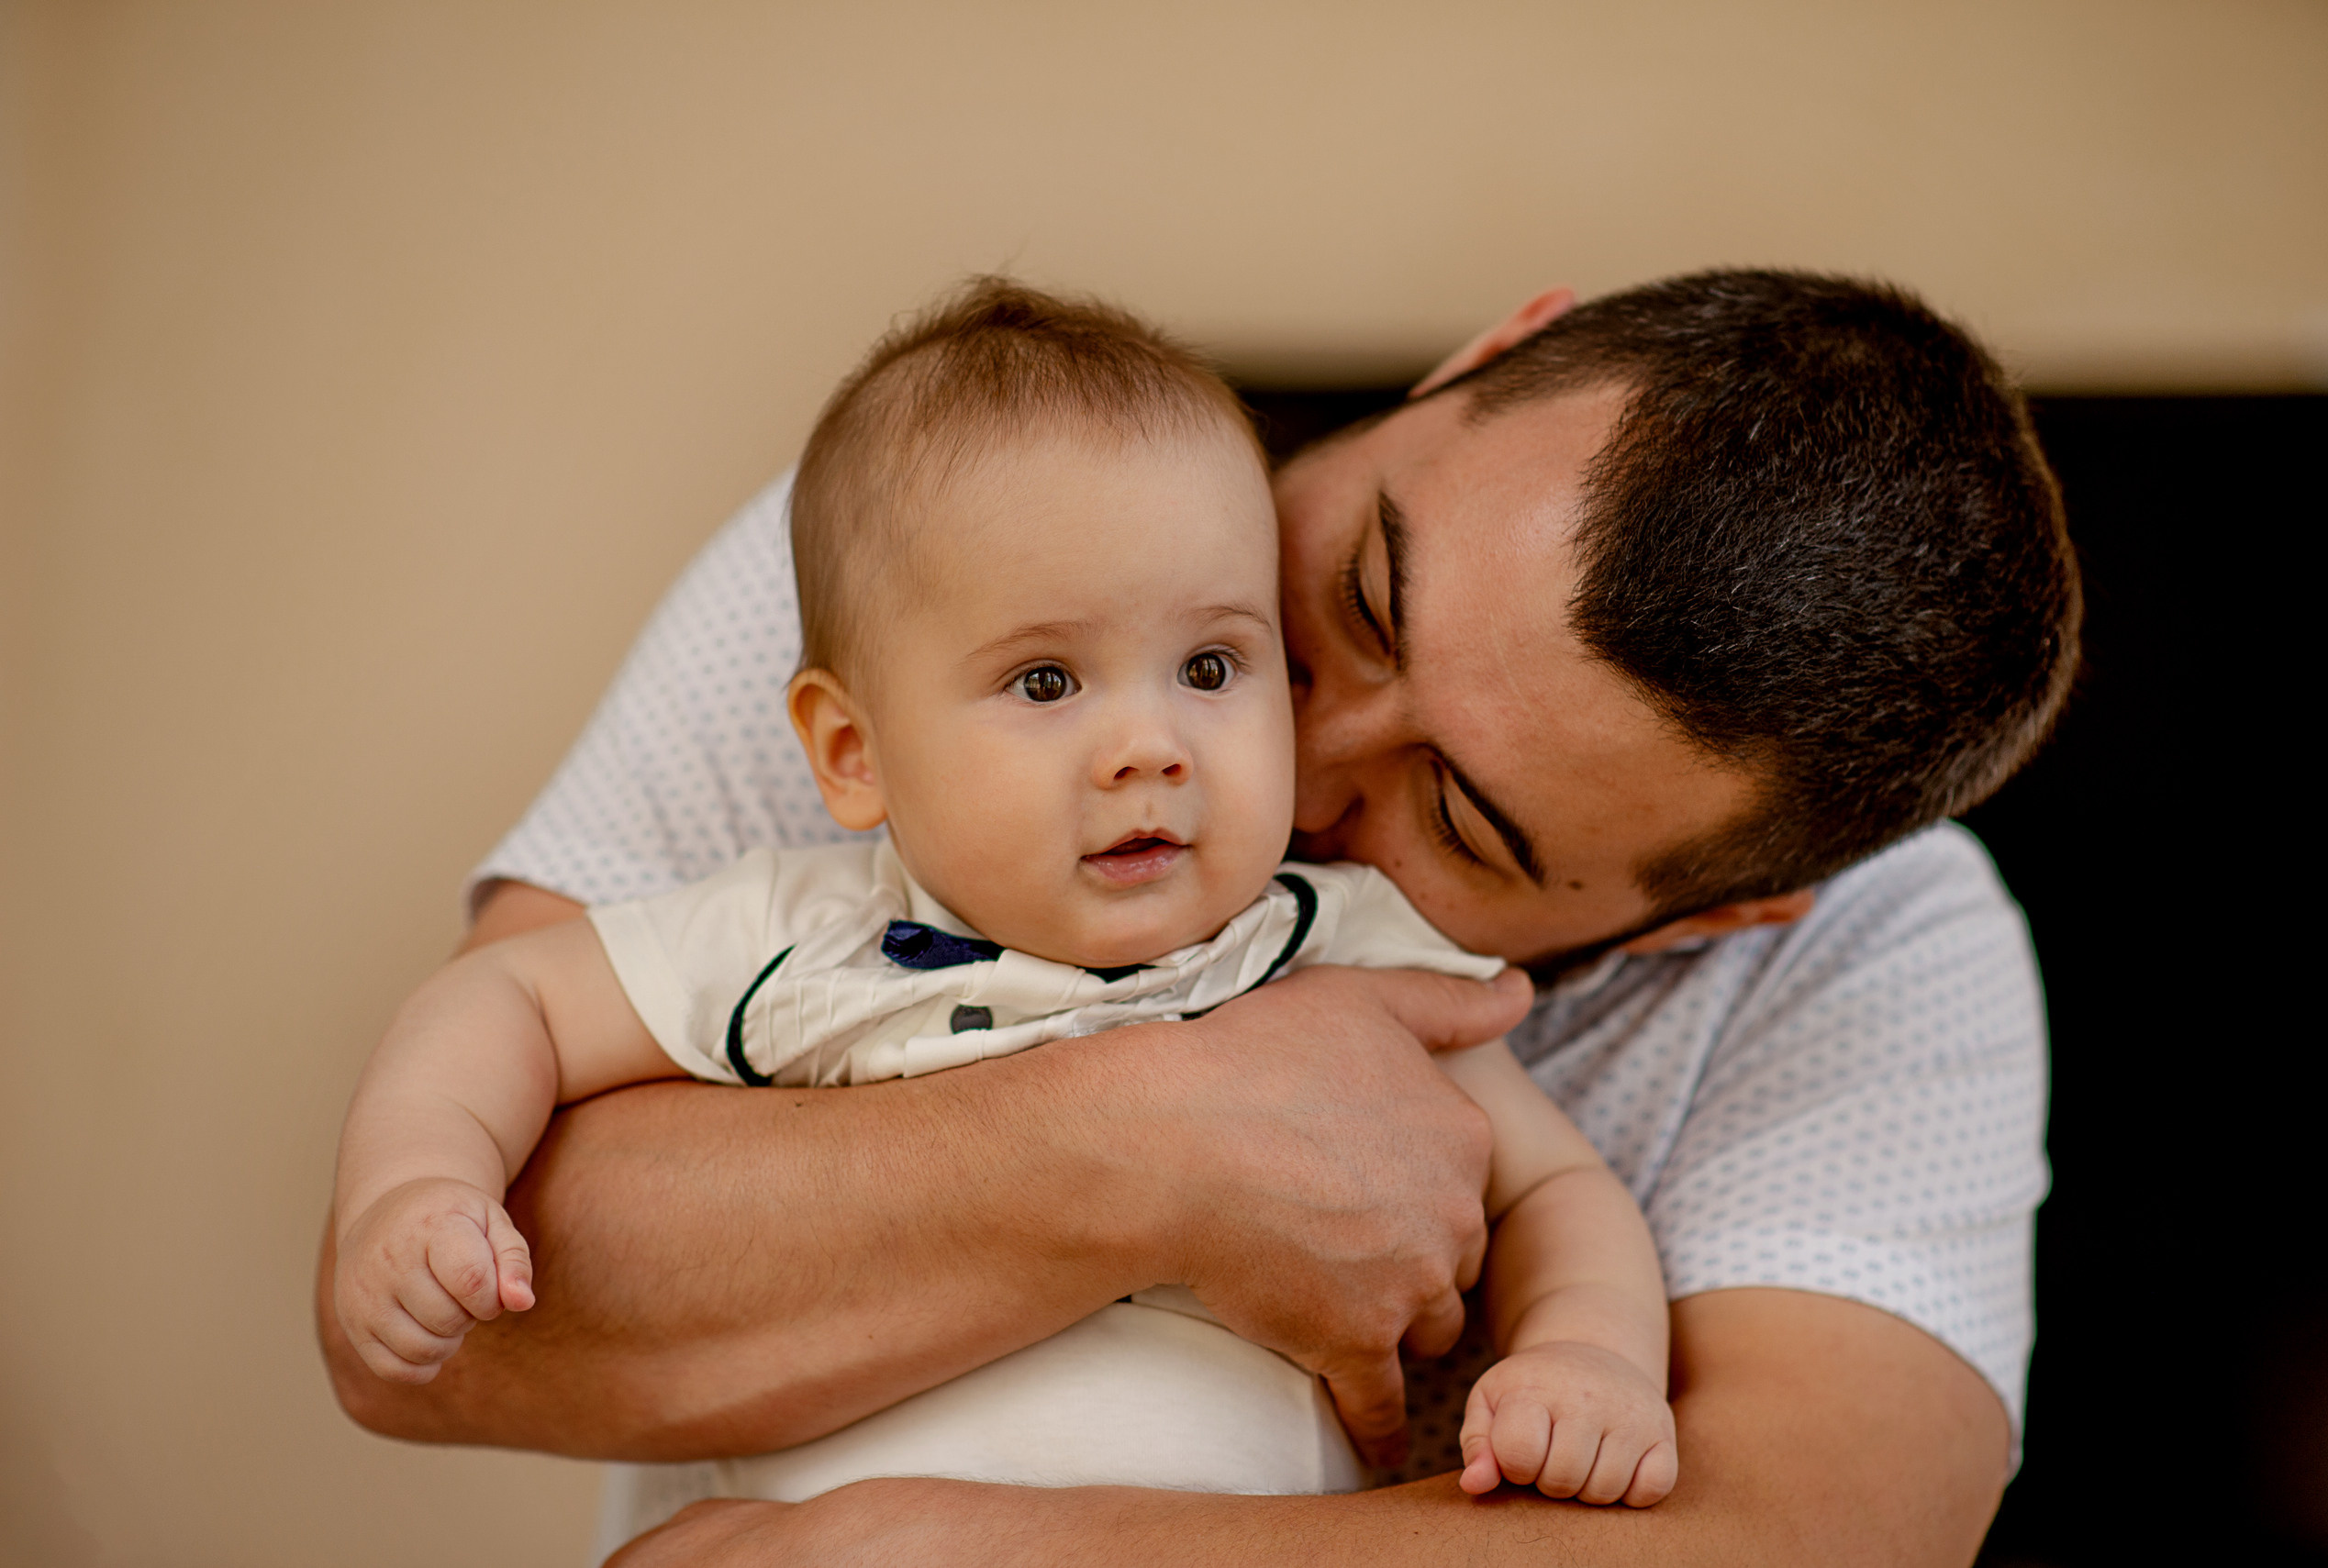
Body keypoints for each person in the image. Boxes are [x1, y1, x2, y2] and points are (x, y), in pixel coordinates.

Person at [317, 268, 2079, 1566]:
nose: (1284, 758)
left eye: (1457, 817)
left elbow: (1801, 1539)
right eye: (1360, 598)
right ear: (1487, 349)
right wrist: (1153, 1144)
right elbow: (446, 1336)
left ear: (1723, 912)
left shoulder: (1883, 962)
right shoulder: (962, 543)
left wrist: (938, 1554)